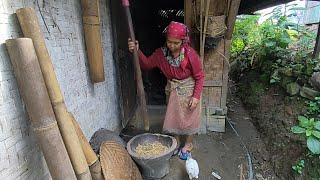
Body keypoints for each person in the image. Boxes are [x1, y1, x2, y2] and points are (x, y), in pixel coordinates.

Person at [128, 21, 204, 160]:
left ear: (183, 41)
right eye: (170, 42)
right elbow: (146, 64)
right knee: (174, 116)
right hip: (173, 88)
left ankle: (188, 143)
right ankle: (176, 141)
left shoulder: (190, 55)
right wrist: (137, 50)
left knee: (190, 118)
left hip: (189, 89)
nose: (172, 46)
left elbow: (199, 76)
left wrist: (196, 96)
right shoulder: (160, 54)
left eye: (176, 43)